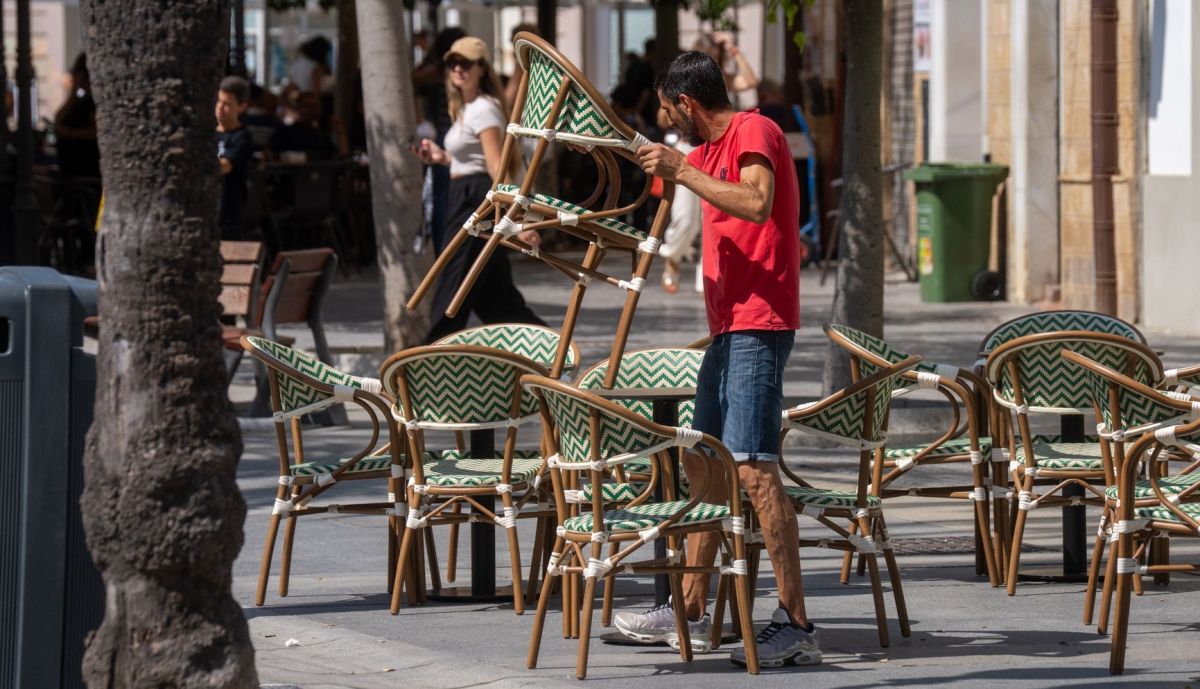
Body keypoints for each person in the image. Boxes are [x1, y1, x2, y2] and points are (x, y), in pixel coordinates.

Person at [616, 51, 818, 668]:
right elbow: (657, 159)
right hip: (728, 329)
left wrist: (681, 167)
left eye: (668, 112)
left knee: (755, 473)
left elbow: (756, 203)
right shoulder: (699, 156)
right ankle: (689, 609)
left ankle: (796, 624)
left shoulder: (755, 130)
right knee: (705, 470)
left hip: (760, 325)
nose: (669, 125)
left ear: (687, 103)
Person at [413, 36, 545, 343]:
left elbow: (496, 169)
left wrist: (518, 222)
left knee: (452, 289)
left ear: (482, 69)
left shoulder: (483, 109)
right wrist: (441, 158)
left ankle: (426, 363)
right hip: (466, 194)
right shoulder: (468, 107)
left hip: (476, 201)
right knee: (495, 301)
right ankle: (549, 349)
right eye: (452, 63)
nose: (457, 69)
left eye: (465, 63)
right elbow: (471, 162)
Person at [215, 75, 255, 240]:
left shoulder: (242, 138)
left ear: (242, 106)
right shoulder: (206, 133)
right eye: (219, 101)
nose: (220, 108)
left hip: (229, 211)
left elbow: (225, 166)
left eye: (227, 104)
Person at [54, 53, 100, 180]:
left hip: (84, 169)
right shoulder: (79, 100)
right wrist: (74, 91)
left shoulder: (92, 102)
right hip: (70, 167)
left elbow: (96, 131)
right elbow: (59, 117)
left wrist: (69, 133)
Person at [692, 32, 758, 107]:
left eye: (716, 57)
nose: (713, 61)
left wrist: (732, 48)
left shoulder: (721, 78)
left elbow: (751, 82)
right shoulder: (689, 77)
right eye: (709, 57)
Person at [268, 90, 336, 161]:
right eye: (307, 106)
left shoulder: (322, 137)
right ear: (298, 108)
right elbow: (271, 155)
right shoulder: (284, 133)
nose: (312, 110)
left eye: (315, 106)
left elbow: (336, 158)